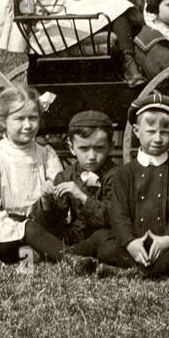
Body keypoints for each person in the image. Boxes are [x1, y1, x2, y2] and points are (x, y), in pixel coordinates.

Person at [97, 91, 169, 278]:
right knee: (106, 249)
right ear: (136, 131)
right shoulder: (124, 171)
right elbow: (118, 214)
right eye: (151, 132)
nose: (158, 139)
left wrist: (167, 239)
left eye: (165, 132)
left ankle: (131, 272)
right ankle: (168, 271)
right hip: (136, 242)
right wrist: (130, 243)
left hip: (167, 243)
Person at [0, 85, 63, 259]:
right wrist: (16, 228)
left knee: (40, 232)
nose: (28, 125)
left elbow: (59, 196)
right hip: (3, 227)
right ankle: (60, 255)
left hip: (42, 223)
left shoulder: (46, 154)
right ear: (3, 121)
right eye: (19, 119)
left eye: (33, 118)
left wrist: (49, 194)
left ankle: (39, 252)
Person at [24, 110, 122, 274]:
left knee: (104, 238)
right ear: (71, 148)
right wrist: (47, 201)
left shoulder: (117, 175)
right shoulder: (66, 175)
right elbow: (53, 222)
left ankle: (56, 254)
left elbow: (112, 219)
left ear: (110, 147)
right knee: (29, 227)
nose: (91, 156)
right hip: (73, 240)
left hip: (99, 239)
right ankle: (71, 258)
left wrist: (82, 197)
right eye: (84, 148)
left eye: (99, 148)